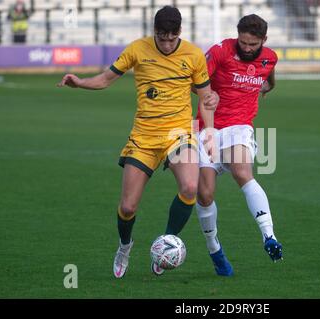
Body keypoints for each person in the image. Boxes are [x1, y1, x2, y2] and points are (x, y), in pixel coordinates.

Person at [57, 6, 219, 278]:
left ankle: (164, 246)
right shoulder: (137, 49)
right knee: (128, 206)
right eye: (161, 37)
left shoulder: (193, 54)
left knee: (190, 187)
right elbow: (106, 79)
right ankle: (124, 246)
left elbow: (206, 97)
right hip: (143, 136)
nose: (166, 44)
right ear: (153, 31)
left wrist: (210, 123)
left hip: (178, 133)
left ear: (179, 32)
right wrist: (79, 82)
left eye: (171, 38)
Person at [195, 14, 282, 276]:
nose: (246, 48)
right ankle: (214, 249)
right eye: (243, 42)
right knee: (205, 194)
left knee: (242, 172)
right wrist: (211, 94)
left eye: (252, 45)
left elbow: (269, 76)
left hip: (239, 127)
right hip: (207, 127)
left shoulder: (269, 57)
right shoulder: (220, 51)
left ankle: (269, 236)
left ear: (263, 41)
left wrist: (267, 88)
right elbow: (195, 82)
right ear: (237, 36)